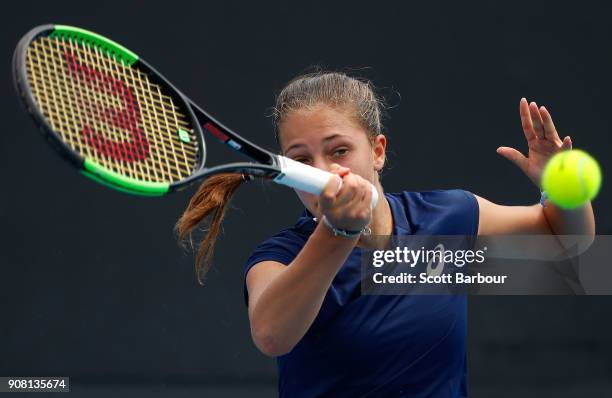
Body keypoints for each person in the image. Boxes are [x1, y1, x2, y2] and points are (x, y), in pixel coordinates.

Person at [176, 71, 596, 397]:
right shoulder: (279, 257)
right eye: (301, 159)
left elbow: (566, 243)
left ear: (377, 151)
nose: (324, 172)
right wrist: (339, 230)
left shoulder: (447, 217)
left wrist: (561, 188)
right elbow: (271, 335)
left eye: (339, 150)